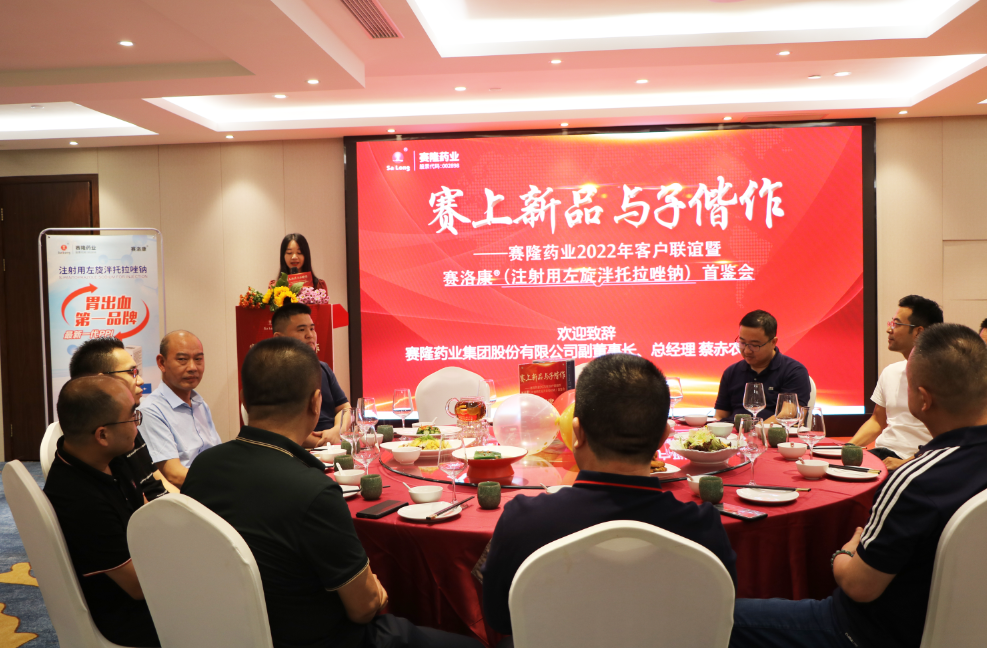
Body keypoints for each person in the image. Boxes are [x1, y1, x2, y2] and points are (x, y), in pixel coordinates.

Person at [182, 338, 482, 648]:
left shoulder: (204, 467)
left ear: (243, 401)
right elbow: (366, 607)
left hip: (222, 634)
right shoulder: (312, 489)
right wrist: (377, 590)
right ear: (316, 403)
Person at [729, 323, 987, 648]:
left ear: (922, 398)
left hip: (864, 633)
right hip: (961, 629)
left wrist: (846, 549)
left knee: (716, 616)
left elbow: (858, 586)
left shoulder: (915, 481)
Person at [482, 353, 737, 636]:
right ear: (663, 437)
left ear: (576, 433)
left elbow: (499, 619)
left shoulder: (523, 521)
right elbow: (720, 619)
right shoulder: (703, 528)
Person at [44, 376, 160, 647]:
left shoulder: (108, 458)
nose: (137, 425)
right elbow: (139, 587)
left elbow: (145, 513)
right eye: (132, 416)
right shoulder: (79, 499)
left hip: (142, 578)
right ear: (102, 435)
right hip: (127, 617)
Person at [68, 337, 176, 497]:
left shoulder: (127, 421)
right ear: (103, 381)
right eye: (131, 373)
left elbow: (158, 480)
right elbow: (138, 504)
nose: (140, 381)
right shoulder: (104, 444)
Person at [850, 295, 943, 470]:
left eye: (897, 324)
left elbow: (950, 438)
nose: (889, 330)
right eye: (891, 323)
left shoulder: (945, 377)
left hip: (916, 462)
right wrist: (848, 447)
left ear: (918, 332)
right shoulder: (891, 371)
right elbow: (878, 421)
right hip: (882, 455)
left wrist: (906, 463)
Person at [138, 330, 221, 488]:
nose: (193, 367)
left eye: (198, 359)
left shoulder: (199, 403)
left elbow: (217, 454)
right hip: (189, 495)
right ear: (162, 363)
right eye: (182, 359)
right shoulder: (150, 410)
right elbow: (173, 475)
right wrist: (223, 482)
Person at [272, 302, 350, 447]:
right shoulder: (273, 374)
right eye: (301, 330)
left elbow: (344, 408)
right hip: (301, 451)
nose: (310, 335)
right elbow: (280, 429)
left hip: (334, 445)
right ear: (279, 338)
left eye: (312, 329)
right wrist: (326, 444)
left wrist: (337, 431)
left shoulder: (323, 368)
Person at [714, 310, 811, 423]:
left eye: (755, 345)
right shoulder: (731, 372)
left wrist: (757, 430)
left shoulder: (793, 371)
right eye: (742, 343)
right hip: (734, 433)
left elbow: (789, 413)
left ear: (773, 342)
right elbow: (720, 415)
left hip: (773, 432)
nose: (747, 351)